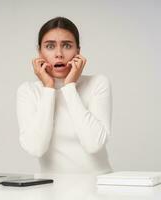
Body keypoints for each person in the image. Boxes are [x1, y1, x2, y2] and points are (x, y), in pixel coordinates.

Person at [16, 17, 112, 174]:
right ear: (39, 52)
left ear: (78, 52)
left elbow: (93, 144)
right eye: (50, 46)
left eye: (67, 46)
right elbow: (36, 148)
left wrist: (69, 87)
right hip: (51, 189)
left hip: (97, 187)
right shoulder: (28, 91)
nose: (59, 54)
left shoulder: (97, 84)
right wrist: (49, 88)